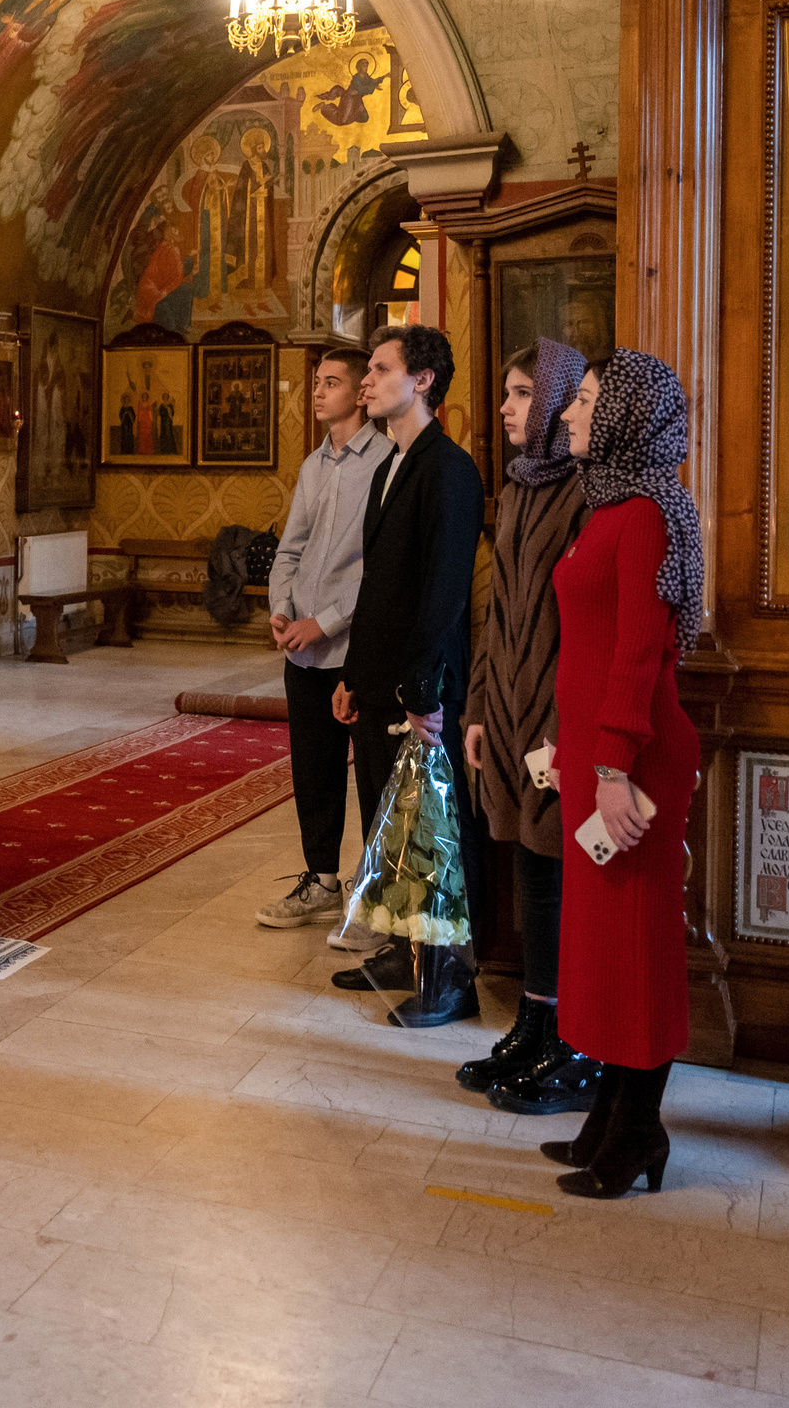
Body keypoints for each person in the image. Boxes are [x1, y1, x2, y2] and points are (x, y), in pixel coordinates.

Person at [543, 348, 704, 1198]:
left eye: (589, 400)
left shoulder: (644, 512)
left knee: (638, 945)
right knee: (604, 945)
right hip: (597, 757)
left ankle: (637, 1131)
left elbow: (641, 650)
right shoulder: (605, 505)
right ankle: (611, 1114)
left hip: (632, 763)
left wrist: (608, 763)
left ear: (626, 416)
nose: (570, 413)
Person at [331, 323, 484, 1027]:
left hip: (423, 688)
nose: (366, 381)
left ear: (422, 380)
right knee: (387, 823)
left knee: (428, 835)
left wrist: (423, 693)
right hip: (382, 681)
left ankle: (447, 981)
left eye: (380, 368)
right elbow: (380, 586)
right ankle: (398, 949)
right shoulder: (391, 464)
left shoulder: (448, 469)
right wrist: (354, 676)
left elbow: (441, 593)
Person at [458, 340, 596, 1113]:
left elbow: (577, 623)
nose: (506, 408)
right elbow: (498, 611)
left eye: (519, 393)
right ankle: (535, 1025)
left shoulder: (586, 489)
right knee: (528, 874)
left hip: (554, 717)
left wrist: (553, 725)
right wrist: (479, 708)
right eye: (508, 394)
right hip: (507, 712)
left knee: (561, 880)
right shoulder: (516, 487)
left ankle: (567, 1033)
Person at [256, 347, 391, 937]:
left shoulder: (387, 461)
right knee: (313, 768)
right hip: (302, 646)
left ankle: (374, 888)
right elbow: (291, 549)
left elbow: (382, 566)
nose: (317, 391)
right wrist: (282, 608)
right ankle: (320, 880)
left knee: (371, 776)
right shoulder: (314, 465)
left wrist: (328, 619)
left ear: (360, 392)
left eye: (331, 382)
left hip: (353, 648)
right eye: (316, 381)